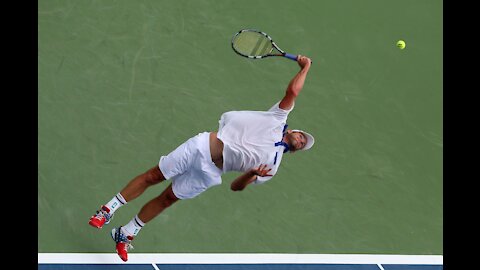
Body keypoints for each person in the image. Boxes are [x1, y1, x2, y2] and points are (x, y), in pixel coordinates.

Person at [88, 55, 315, 262]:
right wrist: (305, 67)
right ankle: (107, 210)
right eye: (302, 136)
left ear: (296, 150)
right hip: (201, 147)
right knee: (154, 175)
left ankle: (126, 233)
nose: (302, 140)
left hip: (211, 173)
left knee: (168, 198)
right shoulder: (277, 117)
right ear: (293, 130)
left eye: (304, 144)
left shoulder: (272, 166)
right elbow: (293, 92)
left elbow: (236, 187)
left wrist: (252, 174)